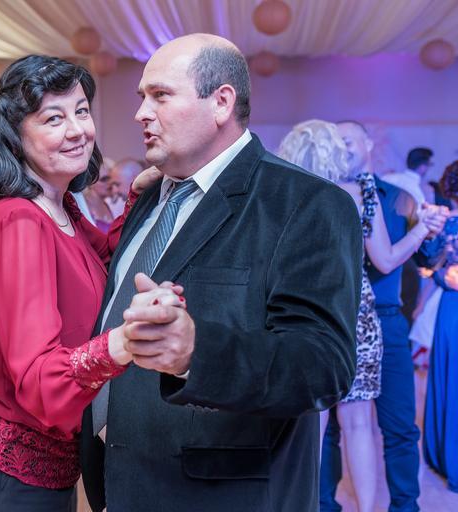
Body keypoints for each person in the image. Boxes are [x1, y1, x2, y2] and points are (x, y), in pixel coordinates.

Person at [71, 34, 365, 512]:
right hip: (123, 478)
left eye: (160, 95)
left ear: (221, 102)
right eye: (142, 97)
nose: (141, 113)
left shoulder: (306, 203)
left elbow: (321, 366)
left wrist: (197, 352)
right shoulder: (149, 198)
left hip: (223, 493)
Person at [0, 55, 168, 511]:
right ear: (15, 135)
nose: (78, 130)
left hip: (43, 472)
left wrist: (139, 194)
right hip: (5, 480)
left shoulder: (58, 206)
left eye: (81, 111)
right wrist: (124, 343)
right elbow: (40, 379)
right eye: (53, 119)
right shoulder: (20, 220)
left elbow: (101, 263)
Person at [278, 120, 444, 512]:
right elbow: (384, 259)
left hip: (302, 310)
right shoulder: (361, 192)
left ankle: (312, 505)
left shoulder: (285, 192)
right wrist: (422, 230)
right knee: (357, 425)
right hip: (354, 310)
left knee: (313, 425)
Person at [423, 160, 458, 493]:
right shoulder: (445, 223)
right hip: (452, 307)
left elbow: (430, 266)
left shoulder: (444, 224)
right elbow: (430, 267)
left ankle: (447, 457)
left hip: (451, 307)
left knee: (452, 380)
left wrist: (442, 277)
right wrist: (443, 277)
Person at [81, 158, 116, 232]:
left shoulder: (110, 205)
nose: (110, 183)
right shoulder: (81, 206)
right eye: (104, 179)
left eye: (111, 179)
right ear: (90, 182)